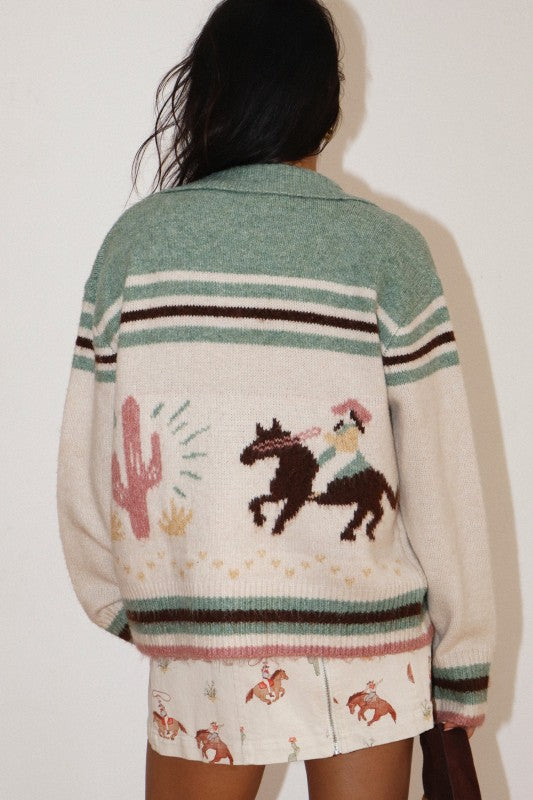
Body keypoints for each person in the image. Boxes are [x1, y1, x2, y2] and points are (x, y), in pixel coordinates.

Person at [56, 1, 496, 799]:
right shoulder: (387, 251)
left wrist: (139, 609)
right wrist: (459, 664)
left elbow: (93, 468)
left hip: (206, 650)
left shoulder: (136, 247)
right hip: (368, 647)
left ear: (208, 95)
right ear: (324, 106)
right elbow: (442, 478)